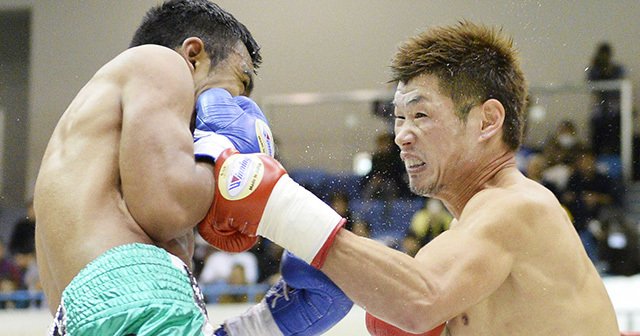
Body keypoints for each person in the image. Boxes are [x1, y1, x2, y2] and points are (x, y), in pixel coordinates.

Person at [199, 20, 621, 335]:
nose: (402, 135)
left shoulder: (518, 206)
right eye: (399, 118)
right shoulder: (466, 234)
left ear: (488, 120)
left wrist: (277, 206)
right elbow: (403, 306)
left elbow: (419, 299)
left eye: (420, 115)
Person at [33, 1, 351, 335]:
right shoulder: (160, 62)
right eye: (239, 83)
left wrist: (269, 323)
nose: (238, 104)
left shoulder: (101, 140)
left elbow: (123, 312)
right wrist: (221, 149)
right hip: (138, 302)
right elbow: (166, 208)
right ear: (194, 55)